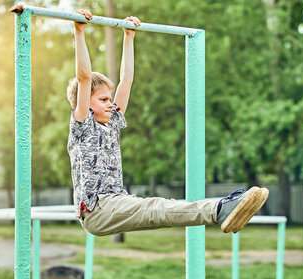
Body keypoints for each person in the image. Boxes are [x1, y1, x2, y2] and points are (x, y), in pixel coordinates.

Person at [67, 9, 269, 237]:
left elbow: (127, 80)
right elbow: (84, 78)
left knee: (161, 210)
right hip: (97, 209)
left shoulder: (111, 122)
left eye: (109, 99)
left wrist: (128, 37)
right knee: (157, 208)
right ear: (85, 103)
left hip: (116, 202)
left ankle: (221, 210)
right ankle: (220, 209)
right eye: (103, 100)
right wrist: (79, 31)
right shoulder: (83, 125)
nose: (109, 104)